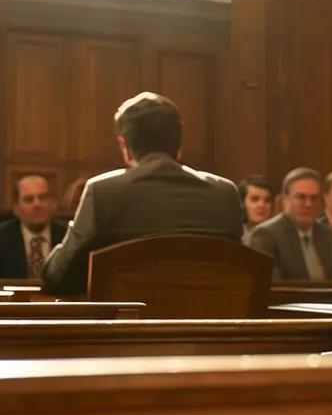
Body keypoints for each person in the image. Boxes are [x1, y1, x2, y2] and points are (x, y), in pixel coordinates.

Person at [41, 93, 244, 295]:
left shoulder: (103, 192)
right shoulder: (224, 193)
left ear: (125, 147)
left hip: (130, 325)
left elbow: (58, 277)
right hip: (209, 323)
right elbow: (241, 273)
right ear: (179, 144)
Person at [246, 168, 332, 280]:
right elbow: (272, 287)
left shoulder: (329, 235)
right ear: (285, 199)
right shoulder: (266, 235)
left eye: (314, 198)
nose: (308, 204)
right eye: (301, 197)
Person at [0, 175, 69, 279]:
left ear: (52, 203)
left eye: (43, 198)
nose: (37, 204)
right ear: (16, 208)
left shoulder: (68, 236)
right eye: (29, 199)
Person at [238, 174, 275, 238]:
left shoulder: (280, 237)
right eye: (255, 199)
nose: (262, 205)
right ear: (242, 203)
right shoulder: (235, 235)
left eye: (267, 201)